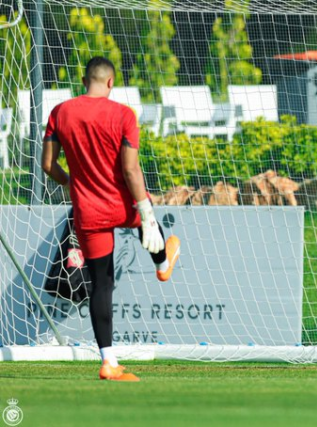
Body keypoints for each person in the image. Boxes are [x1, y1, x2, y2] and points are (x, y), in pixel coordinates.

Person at [41, 56, 180, 381]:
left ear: (84, 81)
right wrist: (144, 210)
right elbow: (130, 169)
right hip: (120, 203)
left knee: (102, 285)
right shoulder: (122, 114)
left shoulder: (61, 112)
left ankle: (107, 361)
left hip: (86, 210)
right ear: (110, 82)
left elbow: (48, 165)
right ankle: (162, 265)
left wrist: (70, 180)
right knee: (152, 227)